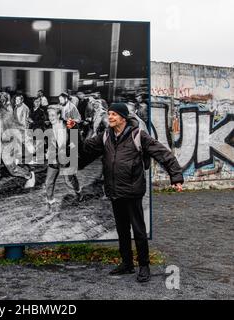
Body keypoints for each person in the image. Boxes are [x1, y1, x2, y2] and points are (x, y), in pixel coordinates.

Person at [81, 102, 184, 283]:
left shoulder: (138, 136)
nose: (109, 117)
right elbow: (86, 148)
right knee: (122, 230)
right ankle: (127, 264)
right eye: (109, 114)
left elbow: (162, 153)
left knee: (138, 230)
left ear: (123, 117)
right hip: (114, 191)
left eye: (113, 114)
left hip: (132, 190)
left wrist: (176, 176)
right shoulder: (105, 136)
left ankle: (144, 266)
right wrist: (72, 134)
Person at [0, 95, 36, 200]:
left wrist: (28, 144)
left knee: (12, 170)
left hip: (8, 145)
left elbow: (19, 128)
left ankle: (29, 175)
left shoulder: (6, 116)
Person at [45, 105, 82, 205]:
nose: (50, 118)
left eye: (53, 115)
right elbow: (48, 141)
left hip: (68, 156)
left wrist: (72, 149)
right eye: (49, 115)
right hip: (54, 156)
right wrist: (48, 150)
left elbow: (77, 140)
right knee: (49, 181)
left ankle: (78, 191)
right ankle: (50, 200)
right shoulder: (48, 126)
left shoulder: (69, 124)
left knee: (68, 180)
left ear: (58, 115)